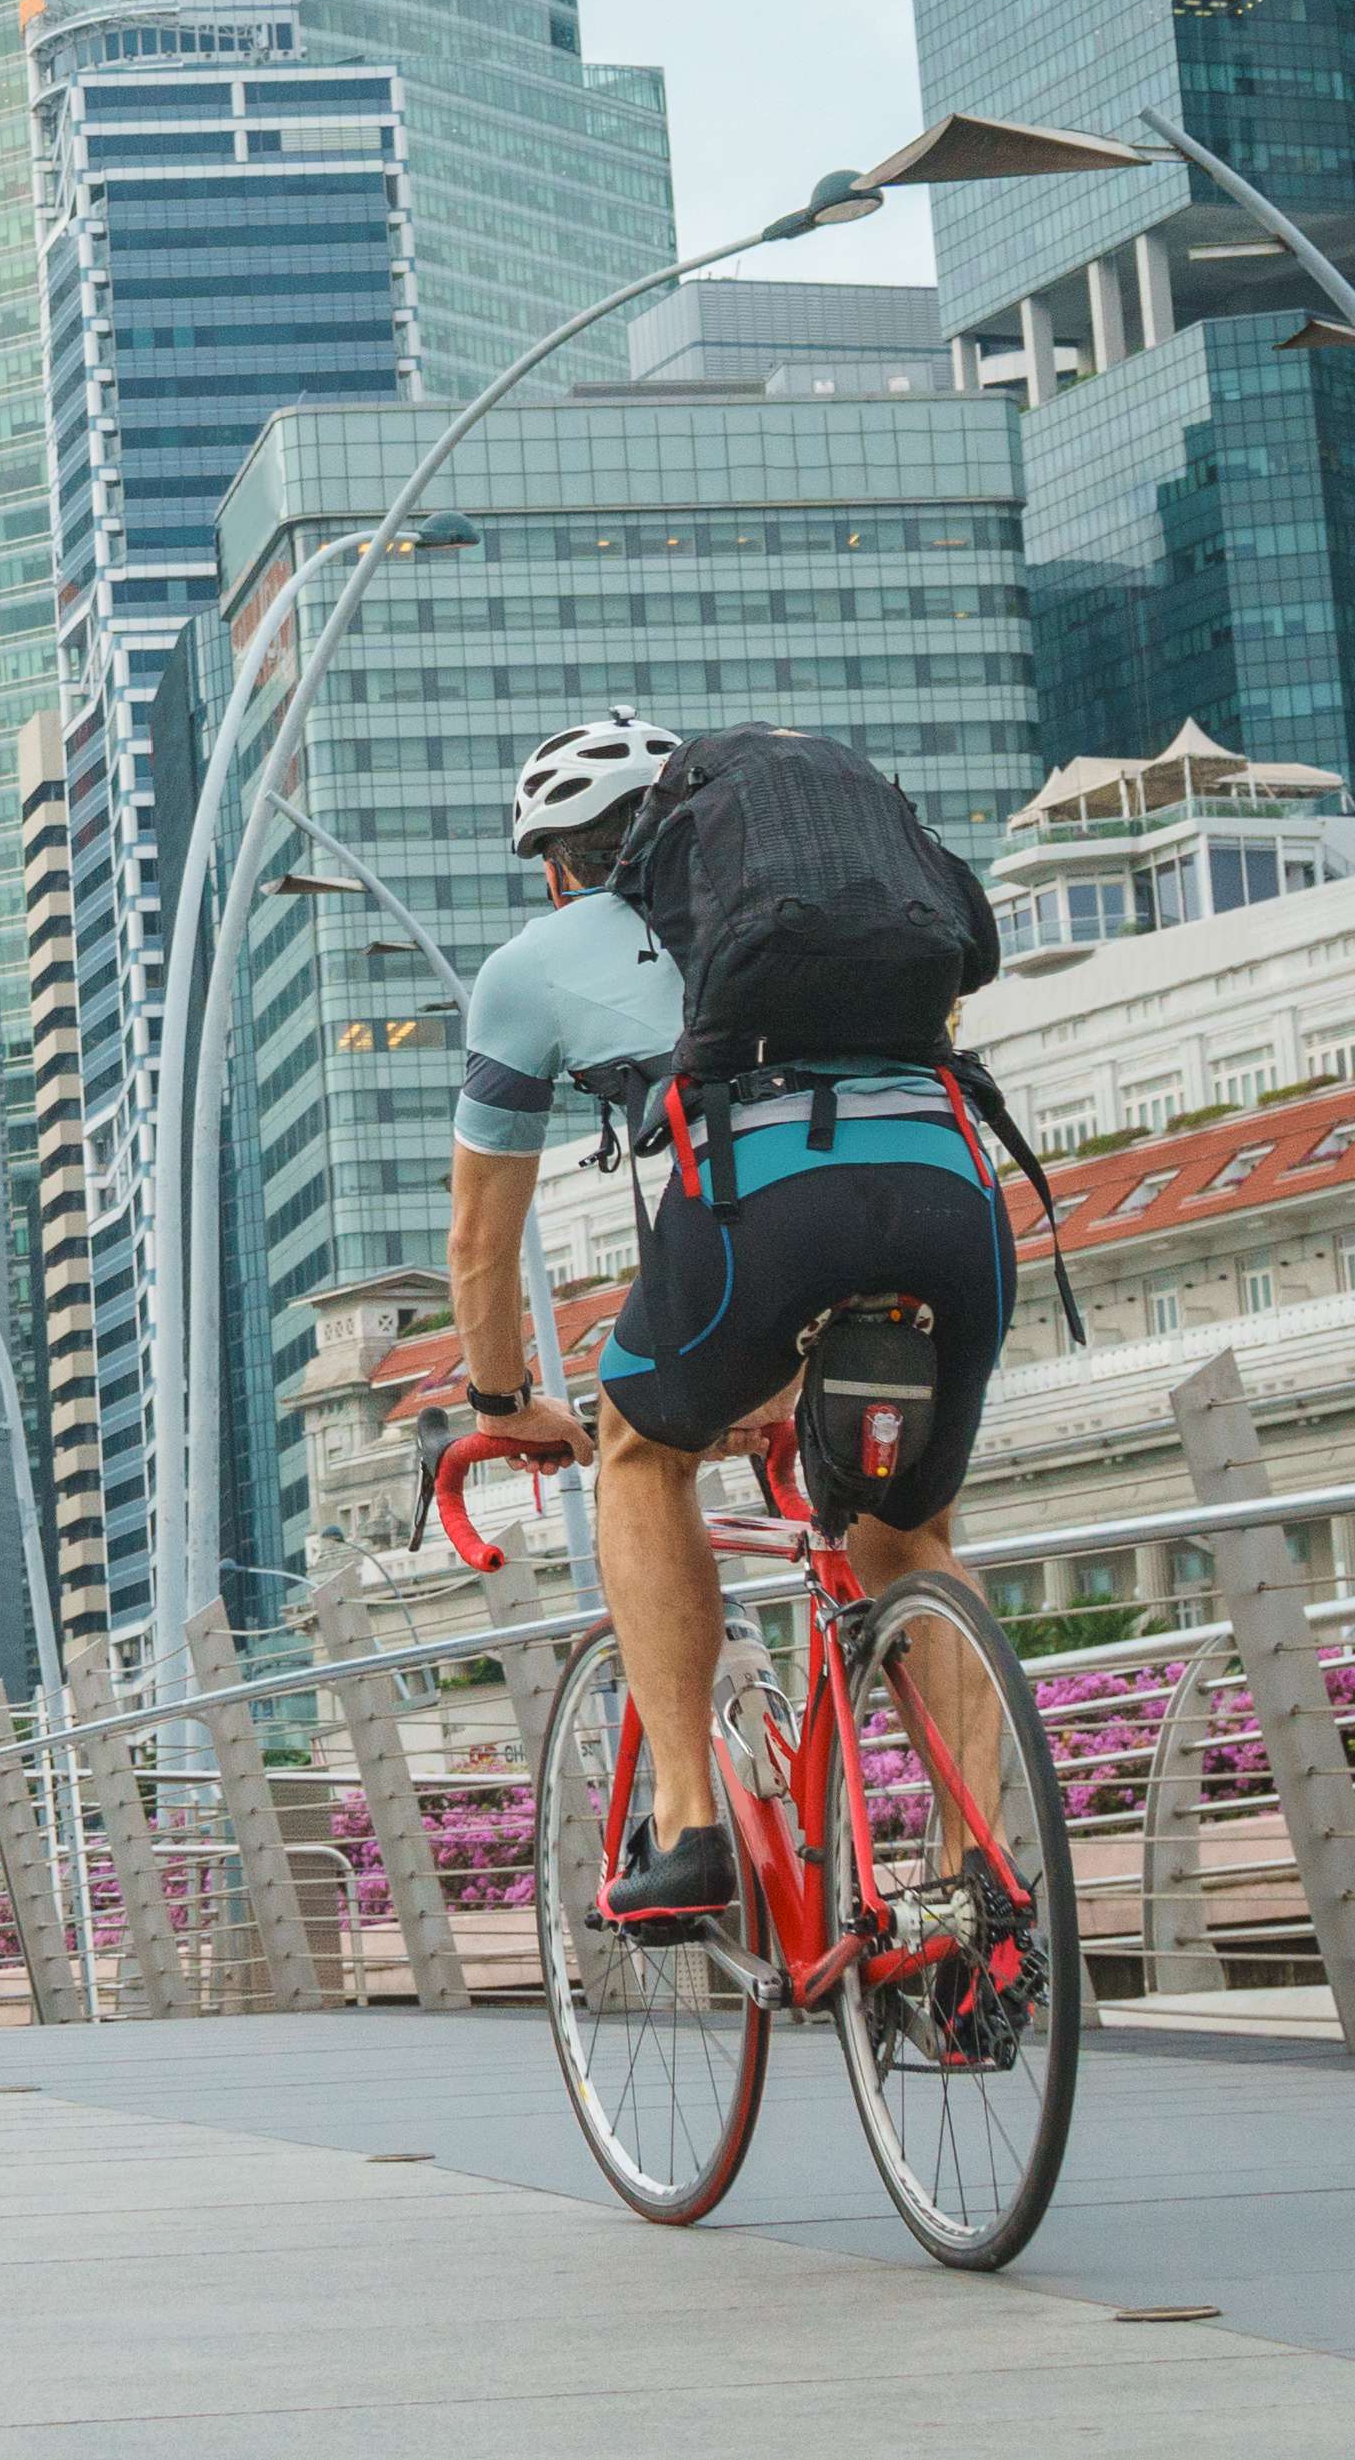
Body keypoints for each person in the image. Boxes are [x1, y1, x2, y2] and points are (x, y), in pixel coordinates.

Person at [443, 711, 1014, 1931]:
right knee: (909, 1532)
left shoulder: (532, 964)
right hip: (954, 1204)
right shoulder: (827, 912)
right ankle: (978, 1904)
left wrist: (501, 1400)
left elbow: (482, 1238)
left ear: (556, 864)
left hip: (769, 1220)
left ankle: (692, 1822)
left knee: (641, 1454)